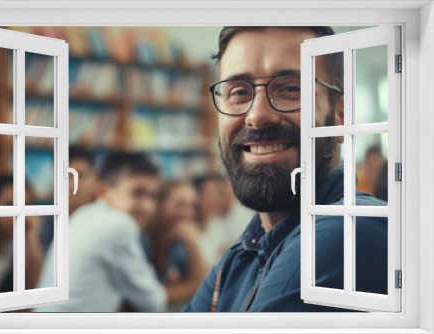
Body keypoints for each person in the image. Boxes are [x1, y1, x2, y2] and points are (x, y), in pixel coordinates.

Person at [183, 26, 388, 312]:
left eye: (292, 88)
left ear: (342, 116)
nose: (257, 116)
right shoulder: (244, 252)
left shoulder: (349, 229)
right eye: (239, 92)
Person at [33, 152, 206, 312]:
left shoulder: (85, 214)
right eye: (137, 193)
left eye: (152, 196)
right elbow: (154, 302)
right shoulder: (119, 225)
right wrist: (197, 283)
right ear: (104, 191)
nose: (147, 207)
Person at [142, 181, 208, 310]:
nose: (188, 214)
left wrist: (193, 244)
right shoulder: (141, 240)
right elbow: (144, 297)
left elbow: (204, 289)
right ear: (158, 205)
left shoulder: (177, 245)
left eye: (192, 207)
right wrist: (189, 287)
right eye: (180, 205)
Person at [0, 175, 43, 296]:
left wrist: (33, 240)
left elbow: (34, 296)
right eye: (10, 205)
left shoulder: (20, 244)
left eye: (26, 206)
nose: (19, 214)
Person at [39, 146, 97, 254]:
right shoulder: (45, 225)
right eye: (67, 177)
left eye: (81, 176)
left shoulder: (104, 221)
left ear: (94, 178)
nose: (73, 185)